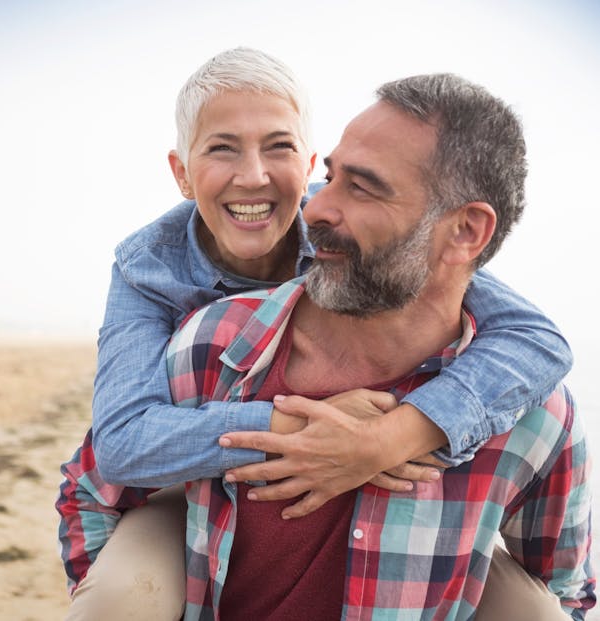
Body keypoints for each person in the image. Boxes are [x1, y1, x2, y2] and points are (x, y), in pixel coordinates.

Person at [56, 49, 574, 618]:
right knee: (121, 593)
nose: (253, 176)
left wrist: (388, 438)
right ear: (181, 173)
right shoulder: (151, 274)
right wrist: (292, 426)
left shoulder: (348, 236)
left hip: (413, 509)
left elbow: (533, 338)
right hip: (191, 468)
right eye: (221, 148)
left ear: (305, 166)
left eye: (278, 148)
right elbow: (120, 448)